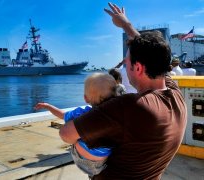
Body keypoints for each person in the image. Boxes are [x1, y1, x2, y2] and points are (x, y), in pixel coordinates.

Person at [59, 3, 187, 179]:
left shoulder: (129, 106)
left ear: (139, 68)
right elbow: (152, 54)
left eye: (126, 63)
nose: (124, 66)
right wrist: (127, 25)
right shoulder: (175, 94)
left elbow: (66, 134)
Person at [34, 73, 117, 177]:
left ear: (86, 98)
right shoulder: (117, 116)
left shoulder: (81, 113)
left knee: (74, 132)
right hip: (104, 160)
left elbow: (62, 114)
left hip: (84, 160)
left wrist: (48, 106)